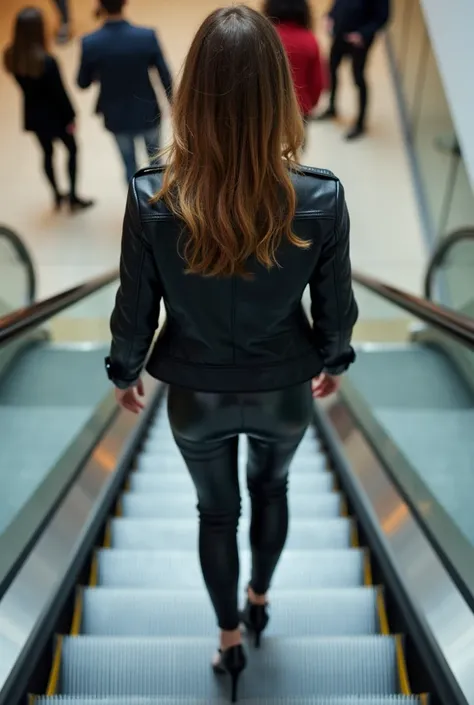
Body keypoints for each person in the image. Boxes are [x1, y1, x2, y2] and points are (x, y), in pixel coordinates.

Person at [105, 5, 357, 702]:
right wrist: (333, 360)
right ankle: (260, 597)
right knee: (271, 489)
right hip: (283, 388)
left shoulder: (154, 194)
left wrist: (125, 372)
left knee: (215, 514)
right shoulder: (321, 197)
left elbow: (134, 310)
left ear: (192, 94)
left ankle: (227, 640)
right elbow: (337, 310)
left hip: (195, 393)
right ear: (280, 92)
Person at [4, 7, 94, 212]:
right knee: (72, 150)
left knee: (46, 154)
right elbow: (60, 94)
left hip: (33, 115)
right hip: (56, 116)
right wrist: (71, 117)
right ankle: (73, 196)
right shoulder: (46, 61)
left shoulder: (10, 56)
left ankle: (56, 195)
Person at [77, 0, 173, 184]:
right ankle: (160, 203)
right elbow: (164, 74)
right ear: (125, 3)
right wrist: (172, 103)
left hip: (116, 116)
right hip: (148, 112)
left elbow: (82, 83)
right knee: (155, 161)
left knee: (129, 163)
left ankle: (135, 207)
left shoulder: (90, 43)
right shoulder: (146, 36)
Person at [318, 0, 390, 140]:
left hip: (358, 42)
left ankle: (360, 123)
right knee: (332, 68)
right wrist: (330, 16)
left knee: (358, 78)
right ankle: (332, 107)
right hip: (339, 34)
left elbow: (382, 18)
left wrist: (362, 34)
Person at [263, 0, 324, 127]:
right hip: (300, 108)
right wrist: (309, 104)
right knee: (299, 145)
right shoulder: (309, 40)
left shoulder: (266, 39)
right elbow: (317, 82)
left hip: (268, 108)